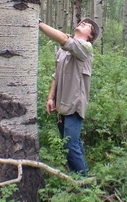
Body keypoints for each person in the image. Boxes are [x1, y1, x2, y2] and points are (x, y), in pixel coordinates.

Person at [39, 17, 100, 175]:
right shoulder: (63, 50)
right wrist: (51, 98)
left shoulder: (86, 47)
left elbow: (65, 39)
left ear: (90, 36)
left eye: (87, 25)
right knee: (72, 143)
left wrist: (39, 24)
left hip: (74, 105)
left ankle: (84, 184)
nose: (82, 23)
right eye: (82, 22)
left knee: (70, 145)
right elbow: (56, 75)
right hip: (61, 105)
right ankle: (77, 176)